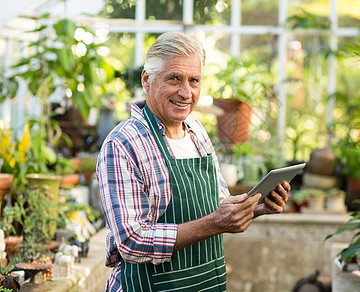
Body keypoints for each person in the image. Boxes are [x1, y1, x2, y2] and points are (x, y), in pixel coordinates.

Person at [96, 31, 291, 292]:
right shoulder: (122, 144)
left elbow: (216, 204)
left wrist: (254, 208)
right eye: (174, 78)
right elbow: (131, 240)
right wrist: (215, 224)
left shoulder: (197, 132)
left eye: (194, 80)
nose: (186, 92)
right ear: (147, 79)